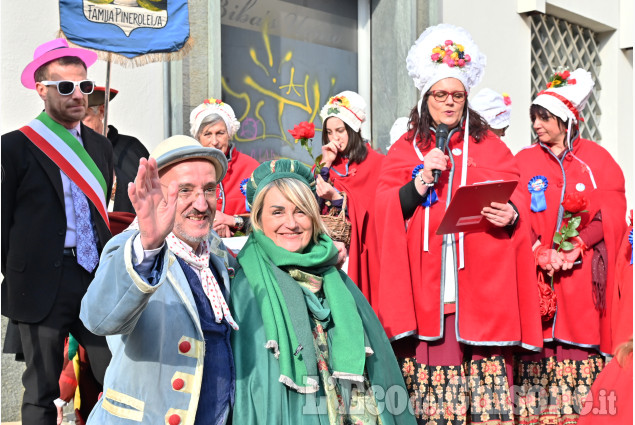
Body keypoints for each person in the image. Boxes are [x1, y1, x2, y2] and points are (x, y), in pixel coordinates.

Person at [373, 24, 542, 424]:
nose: (449, 103)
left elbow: (517, 194)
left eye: (457, 95)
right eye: (440, 95)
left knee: (486, 397)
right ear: (425, 97)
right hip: (427, 288)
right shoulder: (405, 148)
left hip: (480, 283)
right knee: (437, 401)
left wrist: (513, 213)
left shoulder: (491, 146)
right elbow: (381, 211)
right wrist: (417, 181)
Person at [230, 159, 416, 425]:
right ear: (258, 218)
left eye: (301, 212)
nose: (291, 223)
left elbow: (379, 377)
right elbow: (255, 389)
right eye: (277, 212)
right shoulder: (249, 287)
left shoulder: (336, 279)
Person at [80, 135, 237, 424]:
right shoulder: (134, 248)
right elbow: (98, 319)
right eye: (185, 190)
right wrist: (149, 244)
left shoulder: (216, 254)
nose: (201, 204)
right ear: (158, 194)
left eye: (209, 189)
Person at [1, 38, 113, 425]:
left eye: (84, 86)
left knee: (113, 376)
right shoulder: (14, 147)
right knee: (43, 391)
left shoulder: (101, 148)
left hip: (93, 277)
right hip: (40, 283)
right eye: (65, 86)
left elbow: (101, 218)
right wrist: (15, 276)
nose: (78, 94)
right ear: (42, 89)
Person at [514, 68, 627, 424]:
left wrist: (577, 245)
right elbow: (513, 212)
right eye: (534, 117)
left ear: (566, 119)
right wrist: (538, 251)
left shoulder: (597, 159)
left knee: (578, 346)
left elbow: (611, 212)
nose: (537, 125)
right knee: (538, 348)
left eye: (545, 118)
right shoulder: (523, 160)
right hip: (536, 272)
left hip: (579, 277)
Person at [316, 91, 384, 298]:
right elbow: (310, 204)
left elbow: (377, 213)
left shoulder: (378, 164)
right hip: (330, 253)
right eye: (329, 132)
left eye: (340, 131)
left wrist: (338, 199)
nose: (334, 138)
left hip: (364, 254)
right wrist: (326, 163)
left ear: (354, 129)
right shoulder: (326, 163)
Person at [190, 97, 259, 237]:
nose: (214, 141)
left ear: (229, 134)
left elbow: (268, 218)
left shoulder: (251, 167)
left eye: (220, 133)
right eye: (207, 134)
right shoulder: (188, 169)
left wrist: (232, 221)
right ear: (198, 138)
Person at [83, 86, 150, 214]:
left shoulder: (132, 149)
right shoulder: (65, 151)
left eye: (83, 116)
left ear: (101, 111)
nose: (77, 126)